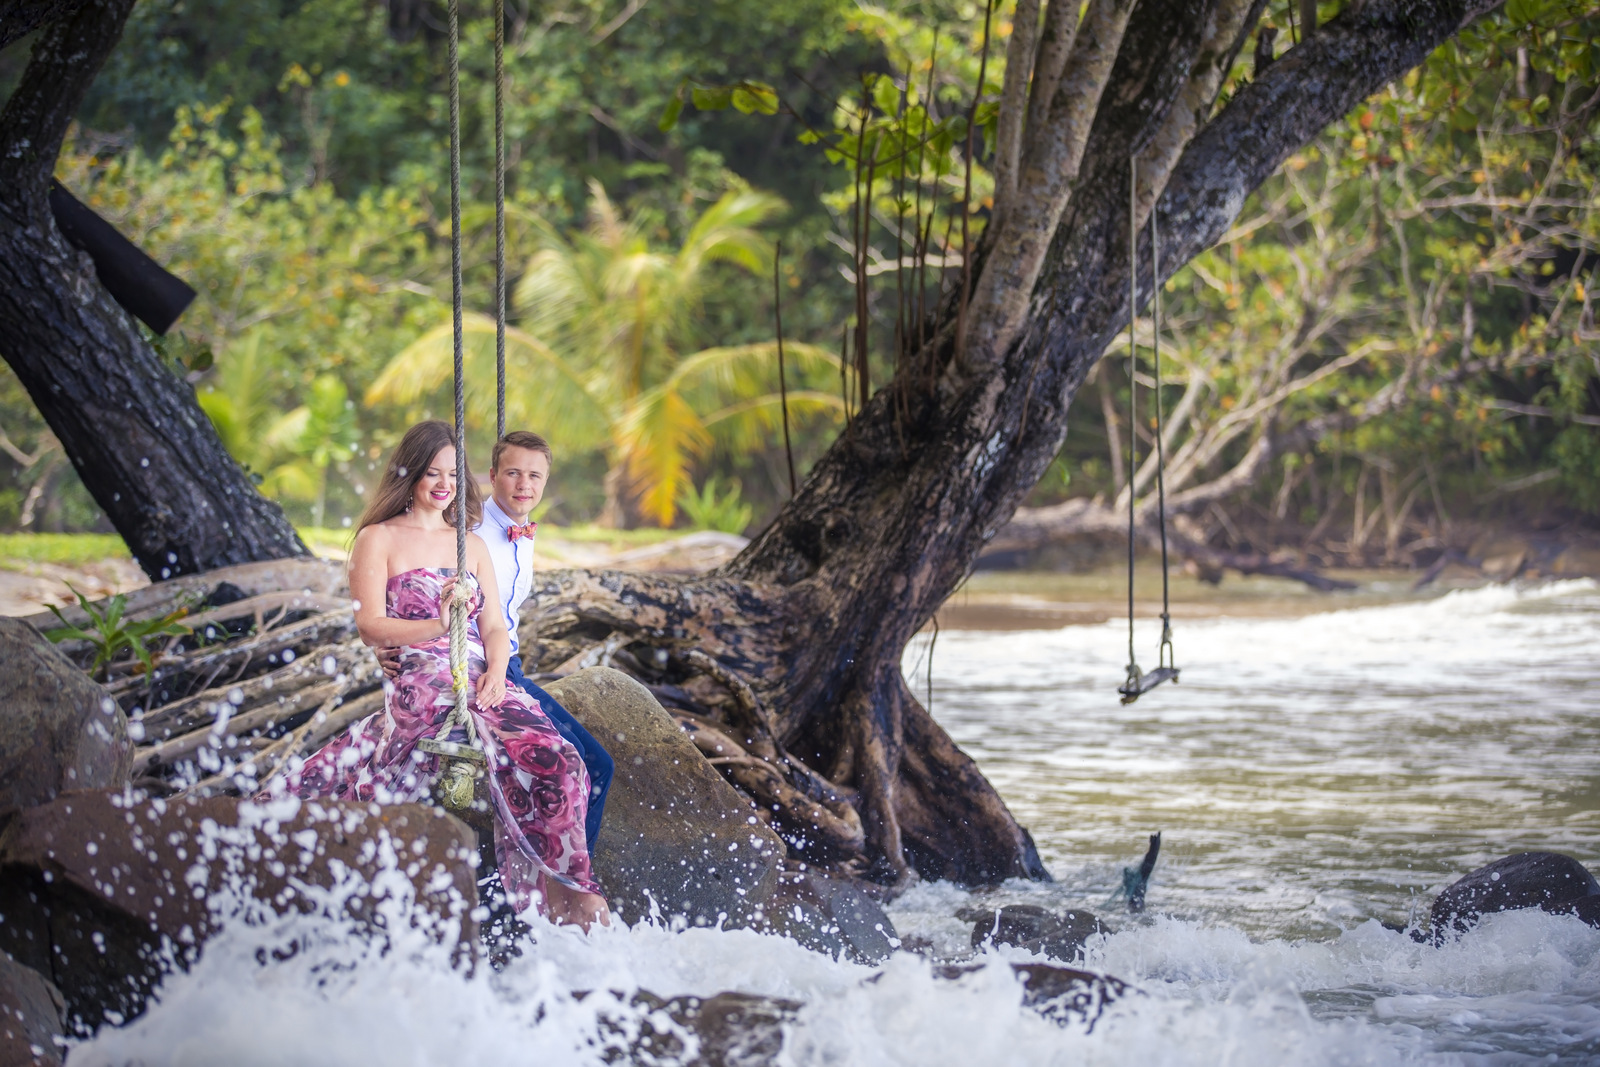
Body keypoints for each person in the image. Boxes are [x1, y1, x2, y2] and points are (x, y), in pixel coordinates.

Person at [282, 420, 608, 929]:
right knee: (437, 741)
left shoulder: (468, 545)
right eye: (432, 473)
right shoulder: (378, 538)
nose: (443, 484)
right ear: (409, 474)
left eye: (453, 474)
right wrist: (442, 621)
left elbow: (495, 625)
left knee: (562, 758)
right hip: (419, 674)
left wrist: (498, 673)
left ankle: (565, 889)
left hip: (480, 671)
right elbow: (370, 625)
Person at [475, 431, 614, 848]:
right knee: (590, 764)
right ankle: (572, 880)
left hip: (511, 664)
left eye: (535, 476)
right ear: (493, 474)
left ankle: (561, 875)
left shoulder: (523, 532)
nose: (524, 485)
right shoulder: (469, 531)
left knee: (596, 765)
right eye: (514, 473)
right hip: (484, 673)